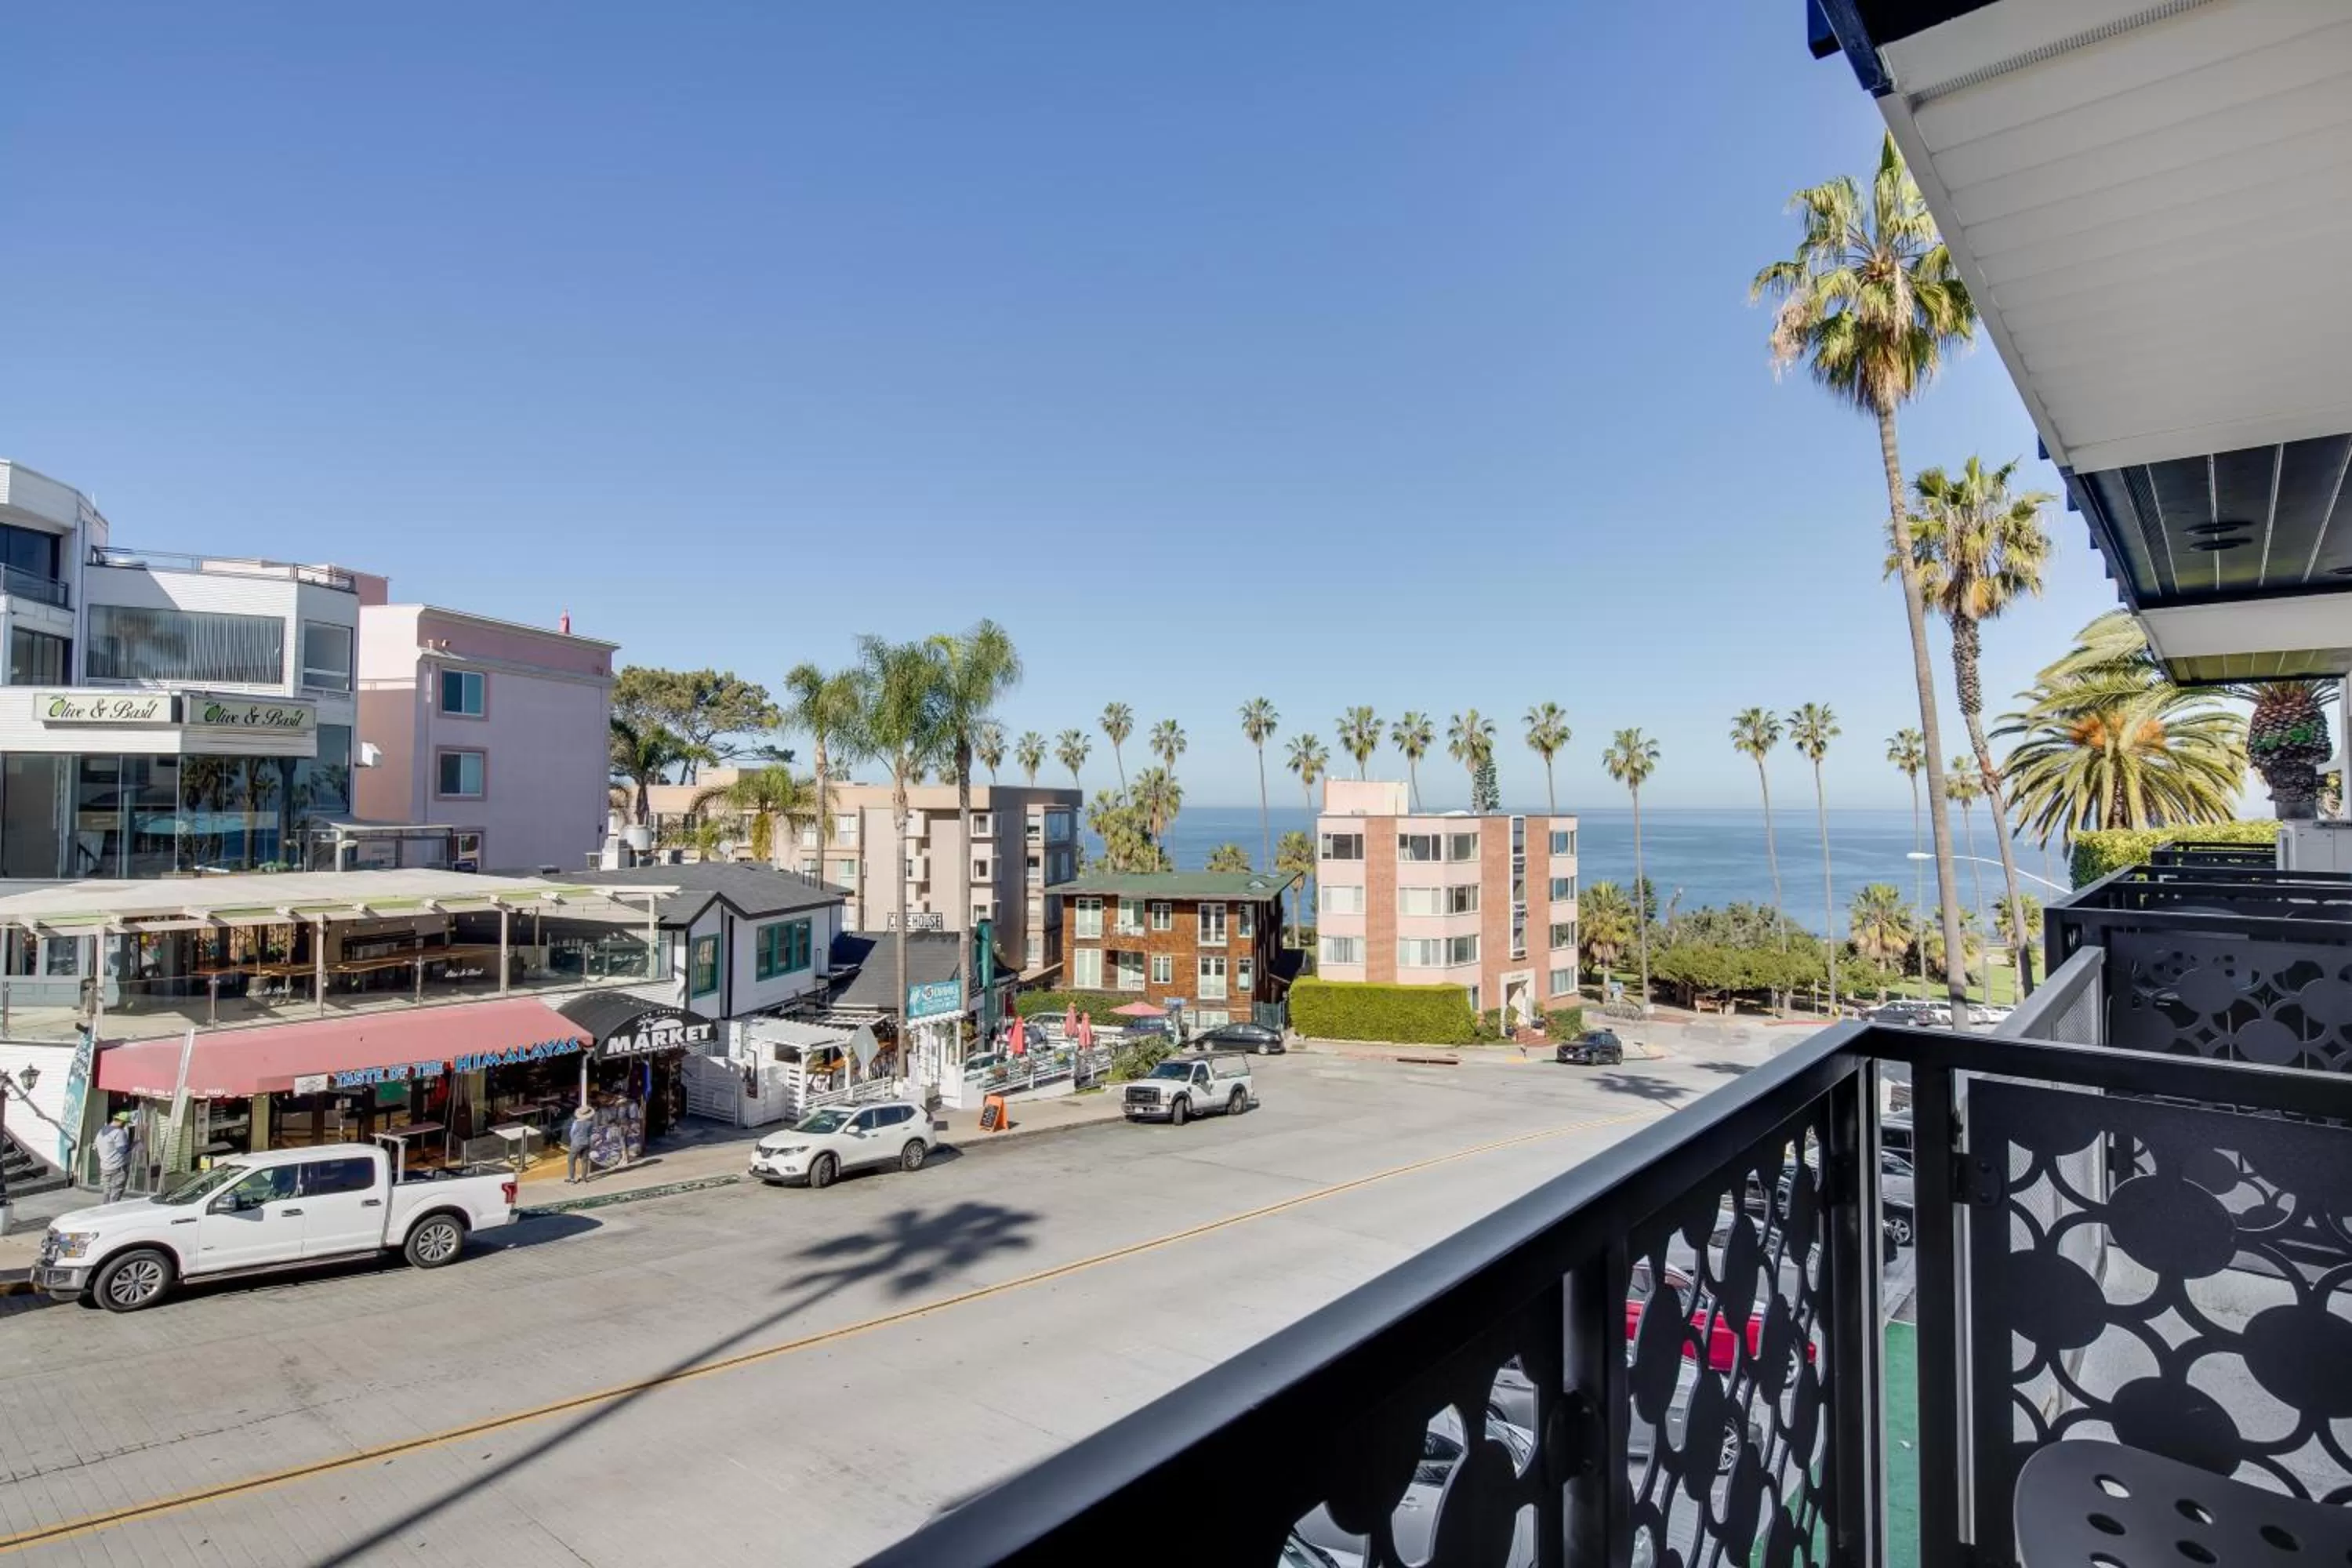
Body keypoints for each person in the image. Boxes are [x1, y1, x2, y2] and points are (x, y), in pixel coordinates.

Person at [95, 1112, 137, 1203]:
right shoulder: (119, 1132)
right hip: (117, 1167)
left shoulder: (101, 1131)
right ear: (122, 1122)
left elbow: (96, 1146)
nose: (125, 1125)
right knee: (116, 1192)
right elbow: (123, 1150)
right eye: (125, 1123)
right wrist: (135, 1144)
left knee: (107, 1192)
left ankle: (104, 1210)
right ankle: (111, 1212)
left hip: (105, 1166)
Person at [565, 1105, 595, 1184]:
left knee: (571, 1160)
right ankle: (584, 1178)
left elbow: (572, 1133)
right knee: (584, 1160)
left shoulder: (576, 1122)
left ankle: (572, 1179)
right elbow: (590, 1133)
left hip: (576, 1143)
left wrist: (573, 1141)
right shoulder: (590, 1123)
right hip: (586, 1142)